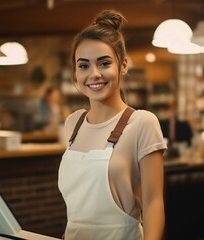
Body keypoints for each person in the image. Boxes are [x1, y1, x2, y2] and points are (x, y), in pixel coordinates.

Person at [58, 10, 167, 240]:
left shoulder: (142, 123)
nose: (94, 74)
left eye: (104, 63)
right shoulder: (72, 124)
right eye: (84, 66)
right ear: (75, 73)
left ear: (123, 65)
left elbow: (154, 202)